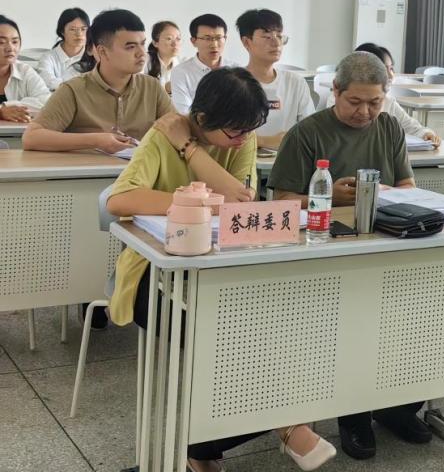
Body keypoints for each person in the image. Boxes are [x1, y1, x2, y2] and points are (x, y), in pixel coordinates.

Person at [106, 68, 336, 472]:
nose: (244, 139)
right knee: (231, 338)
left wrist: (191, 151)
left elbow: (240, 201)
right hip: (153, 277)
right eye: (236, 131)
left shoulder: (236, 140)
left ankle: (203, 449)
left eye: (250, 130)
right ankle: (285, 423)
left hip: (224, 272)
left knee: (274, 328)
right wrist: (196, 201)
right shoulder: (162, 137)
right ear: (202, 117)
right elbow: (119, 201)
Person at [270, 52, 424, 461]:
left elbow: (407, 185)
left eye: (375, 102)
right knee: (352, 328)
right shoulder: (306, 133)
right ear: (335, 91)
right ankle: (353, 415)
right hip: (327, 254)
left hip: (386, 243)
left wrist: (389, 193)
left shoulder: (389, 127)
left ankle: (397, 407)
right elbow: (282, 201)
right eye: (355, 102)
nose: (365, 112)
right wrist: (327, 197)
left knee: (409, 323)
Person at [23, 9, 174, 152]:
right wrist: (95, 140)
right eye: (130, 47)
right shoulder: (74, 90)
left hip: (139, 169)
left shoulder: (151, 87)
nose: (141, 53)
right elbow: (31, 137)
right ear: (102, 51)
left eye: (142, 44)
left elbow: (178, 129)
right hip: (88, 170)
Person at [236, 9, 314, 150]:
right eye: (267, 37)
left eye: (279, 36)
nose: (277, 43)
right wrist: (265, 141)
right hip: (244, 158)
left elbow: (310, 130)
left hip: (287, 158)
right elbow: (222, 134)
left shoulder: (295, 82)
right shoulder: (233, 83)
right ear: (246, 42)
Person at [354, 42, 441, 147]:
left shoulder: (388, 101)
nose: (391, 75)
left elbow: (412, 127)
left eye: (391, 68)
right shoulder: (343, 102)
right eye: (383, 69)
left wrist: (427, 134)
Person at [171, 14, 231, 113]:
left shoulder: (236, 70)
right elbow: (184, 113)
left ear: (225, 39)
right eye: (207, 38)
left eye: (219, 38)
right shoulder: (181, 72)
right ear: (193, 41)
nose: (214, 44)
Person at [0, 15, 50, 119]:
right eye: (1, 42)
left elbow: (46, 101)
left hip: (16, 129)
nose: (10, 48)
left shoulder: (24, 71)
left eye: (15, 42)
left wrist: (7, 107)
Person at [36, 7, 90, 90]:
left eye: (83, 29)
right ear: (62, 31)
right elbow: (47, 82)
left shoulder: (93, 56)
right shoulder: (48, 57)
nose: (79, 34)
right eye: (73, 29)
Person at [145, 21, 181, 93]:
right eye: (169, 39)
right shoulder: (144, 60)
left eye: (178, 39)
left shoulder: (179, 63)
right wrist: (165, 88)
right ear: (155, 43)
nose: (175, 43)